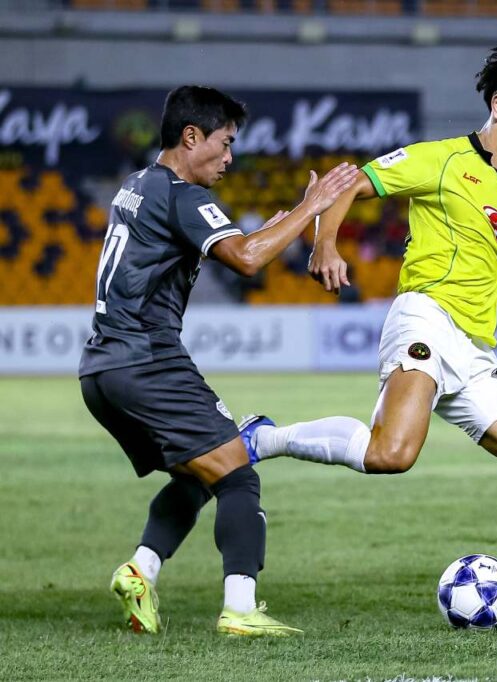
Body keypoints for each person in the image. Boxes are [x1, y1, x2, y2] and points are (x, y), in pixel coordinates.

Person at [240, 46, 497, 628]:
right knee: (393, 455)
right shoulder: (438, 160)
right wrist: (325, 242)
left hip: (473, 351)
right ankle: (266, 438)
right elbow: (352, 185)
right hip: (423, 319)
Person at [79, 85, 358, 637]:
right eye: (225, 143)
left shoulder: (137, 186)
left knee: (199, 474)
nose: (230, 158)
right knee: (236, 473)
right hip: (148, 359)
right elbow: (247, 259)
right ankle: (240, 607)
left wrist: (277, 226)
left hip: (101, 369)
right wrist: (312, 208)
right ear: (191, 136)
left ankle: (142, 570)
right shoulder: (184, 194)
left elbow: (236, 243)